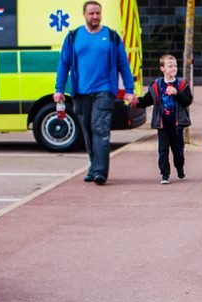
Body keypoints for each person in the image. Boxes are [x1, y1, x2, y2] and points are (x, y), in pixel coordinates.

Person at [54, 0, 136, 186]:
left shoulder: (112, 37)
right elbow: (64, 64)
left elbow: (123, 64)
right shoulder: (74, 37)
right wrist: (59, 89)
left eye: (98, 13)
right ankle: (93, 166)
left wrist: (129, 91)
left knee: (100, 128)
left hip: (104, 90)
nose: (95, 17)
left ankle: (100, 172)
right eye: (91, 13)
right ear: (84, 14)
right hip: (81, 92)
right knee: (88, 130)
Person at [135, 54, 193, 185]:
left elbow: (188, 101)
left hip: (177, 124)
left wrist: (177, 93)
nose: (173, 68)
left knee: (178, 150)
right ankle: (165, 174)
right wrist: (135, 102)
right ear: (162, 68)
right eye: (170, 66)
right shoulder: (156, 85)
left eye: (175, 66)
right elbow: (147, 100)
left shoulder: (182, 84)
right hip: (162, 124)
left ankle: (179, 167)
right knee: (163, 150)